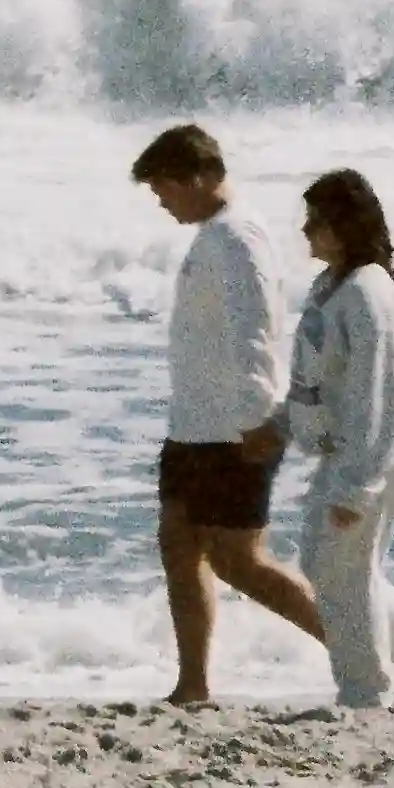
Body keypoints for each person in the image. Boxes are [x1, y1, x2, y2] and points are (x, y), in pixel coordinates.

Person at [131, 122, 328, 706]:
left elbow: (255, 331)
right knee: (178, 545)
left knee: (239, 562)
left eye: (164, 188)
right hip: (193, 425)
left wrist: (255, 420)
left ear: (197, 177)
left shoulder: (238, 237)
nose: (161, 202)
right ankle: (192, 684)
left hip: (233, 429)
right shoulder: (215, 234)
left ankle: (356, 650)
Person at [290, 169, 394, 712]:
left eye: (317, 220)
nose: (306, 230)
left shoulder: (366, 291)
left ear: (346, 225)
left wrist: (359, 486)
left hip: (370, 453)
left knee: (343, 571)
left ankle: (365, 694)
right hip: (346, 449)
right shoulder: (332, 284)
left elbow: (378, 394)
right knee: (323, 562)